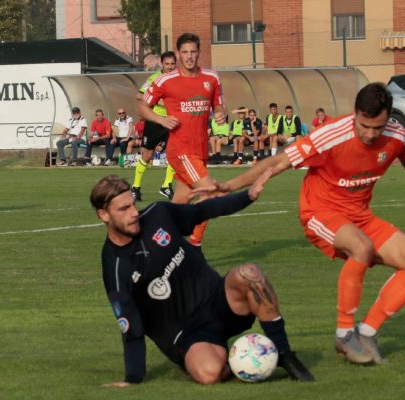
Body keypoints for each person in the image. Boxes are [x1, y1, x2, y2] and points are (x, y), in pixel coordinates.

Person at [208, 83, 405, 365]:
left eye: (377, 127)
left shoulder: (396, 135)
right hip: (319, 212)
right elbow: (281, 160)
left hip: (360, 216)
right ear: (355, 113)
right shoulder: (331, 135)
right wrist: (230, 185)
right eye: (364, 125)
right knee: (361, 247)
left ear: (388, 119)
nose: (370, 134)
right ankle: (344, 334)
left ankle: (366, 332)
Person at [91, 172, 314, 386]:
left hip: (219, 300)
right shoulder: (115, 266)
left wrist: (248, 196)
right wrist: (133, 378)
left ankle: (285, 355)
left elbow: (203, 210)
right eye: (123, 209)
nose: (133, 213)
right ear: (103, 215)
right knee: (208, 374)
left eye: (132, 204)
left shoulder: (158, 214)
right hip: (187, 334)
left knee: (250, 274)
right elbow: (130, 324)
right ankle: (238, 359)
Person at [138, 32, 227, 247]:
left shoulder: (211, 78)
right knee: (211, 193)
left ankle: (150, 245)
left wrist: (220, 113)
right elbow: (142, 108)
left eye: (193, 52)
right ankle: (193, 247)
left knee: (178, 206)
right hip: (181, 151)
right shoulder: (165, 80)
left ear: (199, 52)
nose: (189, 56)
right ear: (178, 54)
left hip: (200, 150)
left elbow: (219, 105)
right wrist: (161, 119)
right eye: (185, 52)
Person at [132, 51, 178, 201]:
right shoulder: (154, 78)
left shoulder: (179, 78)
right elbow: (139, 96)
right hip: (155, 119)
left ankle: (166, 186)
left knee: (175, 153)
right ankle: (136, 187)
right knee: (147, 156)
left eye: (172, 64)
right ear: (162, 64)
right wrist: (159, 102)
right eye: (167, 64)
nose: (170, 67)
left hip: (172, 120)